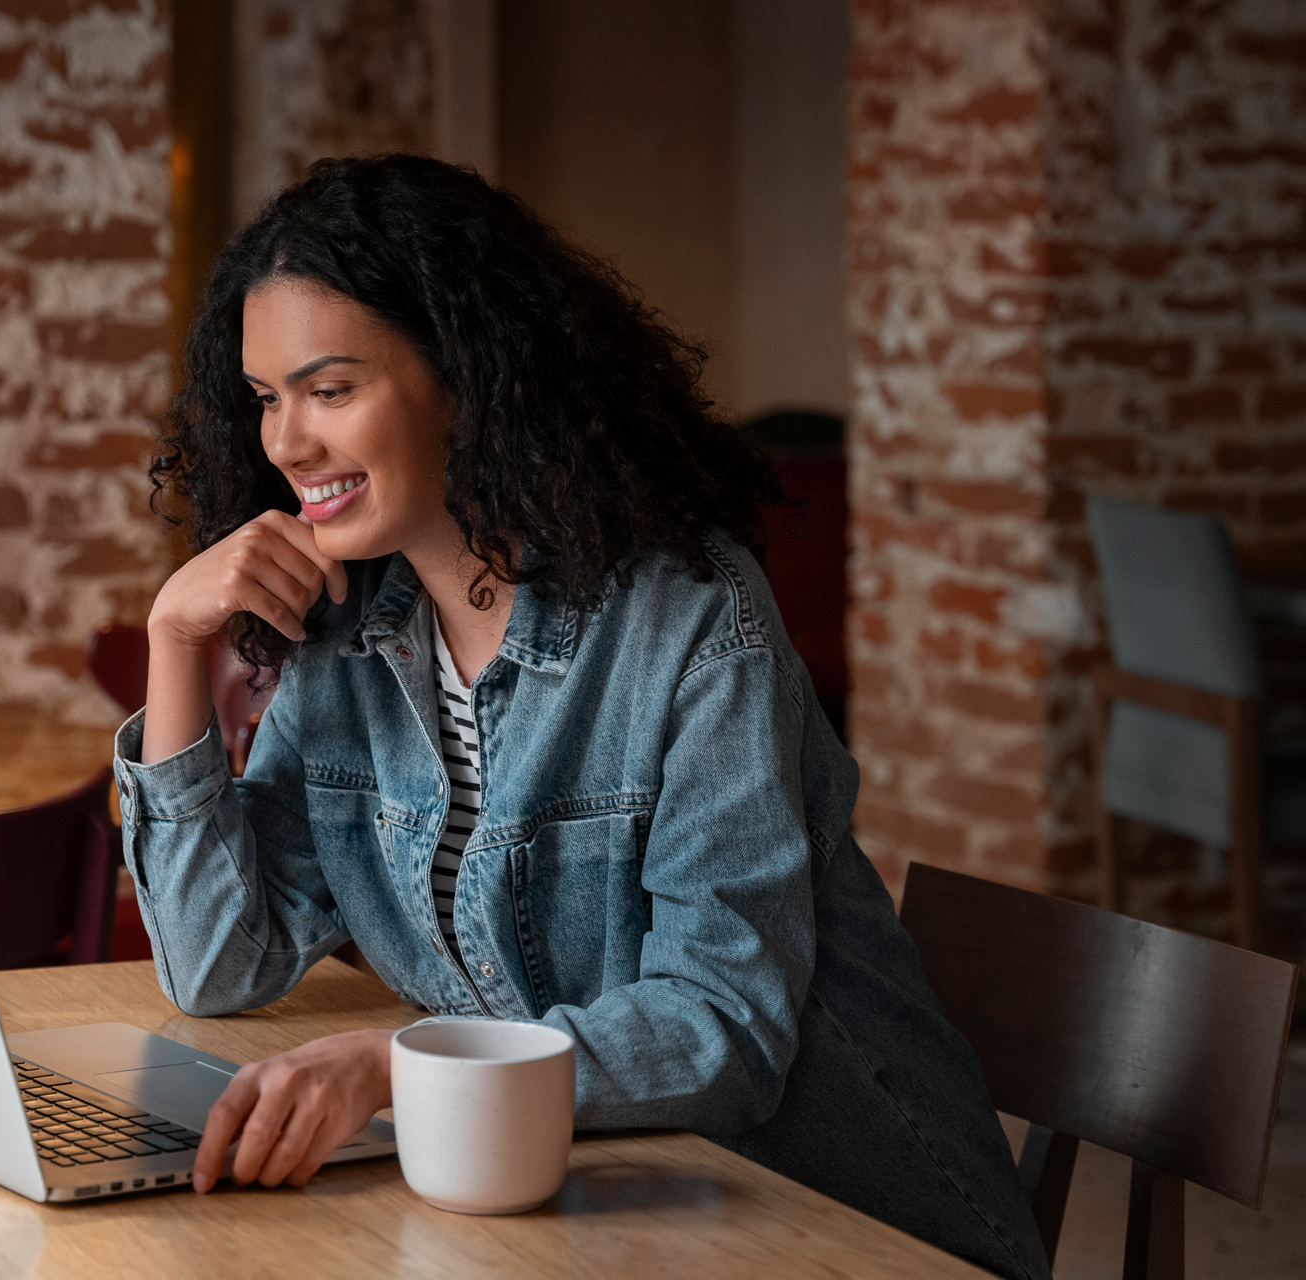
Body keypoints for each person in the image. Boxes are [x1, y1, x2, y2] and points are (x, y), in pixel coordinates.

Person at [114, 154, 1048, 1280]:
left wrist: (403, 1069)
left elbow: (722, 1029)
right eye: (267, 397)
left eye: (330, 388)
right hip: (601, 1216)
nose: (285, 443)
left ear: (463, 375)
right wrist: (174, 640)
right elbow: (219, 964)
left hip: (847, 1224)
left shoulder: (692, 622)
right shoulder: (355, 634)